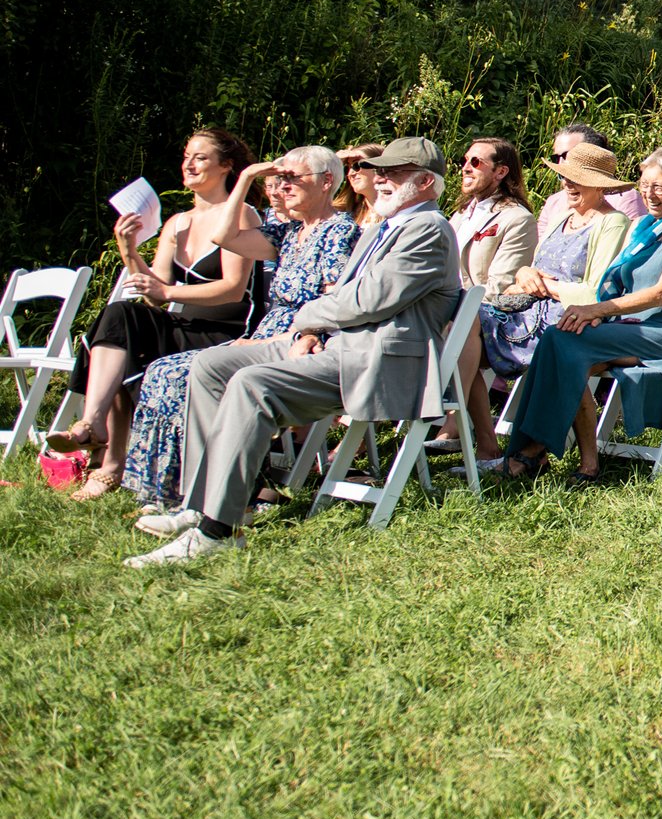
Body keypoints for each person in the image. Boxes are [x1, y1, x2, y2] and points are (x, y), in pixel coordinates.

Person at [127, 138, 461, 566]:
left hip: (376, 360)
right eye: (381, 171)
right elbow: (347, 296)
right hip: (341, 344)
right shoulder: (386, 227)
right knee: (211, 365)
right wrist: (315, 324)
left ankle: (217, 531)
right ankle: (204, 502)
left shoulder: (429, 230)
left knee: (251, 384)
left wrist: (305, 317)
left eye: (394, 172)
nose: (381, 179)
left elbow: (367, 300)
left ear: (425, 182)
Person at [123, 147, 359, 512]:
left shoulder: (338, 232)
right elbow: (224, 237)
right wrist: (247, 178)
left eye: (293, 178)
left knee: (182, 373)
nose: (283, 186)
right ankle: (178, 491)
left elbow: (333, 305)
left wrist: (287, 337)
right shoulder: (291, 232)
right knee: (163, 370)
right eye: (280, 179)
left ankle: (211, 497)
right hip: (269, 333)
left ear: (327, 181)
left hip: (304, 338)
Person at [49, 128, 259, 499]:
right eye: (185, 157)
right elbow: (155, 295)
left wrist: (167, 291)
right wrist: (129, 250)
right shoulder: (177, 222)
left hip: (225, 331)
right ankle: (93, 424)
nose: (189, 164)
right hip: (183, 324)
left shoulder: (239, 214)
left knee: (128, 337)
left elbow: (232, 288)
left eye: (200, 157)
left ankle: (110, 465)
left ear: (226, 166)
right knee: (120, 320)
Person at [491, 148, 662, 481]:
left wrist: (595, 310)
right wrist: (595, 314)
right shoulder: (642, 226)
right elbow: (613, 282)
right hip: (624, 326)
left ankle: (530, 452)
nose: (650, 194)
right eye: (645, 185)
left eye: (660, 187)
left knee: (559, 341)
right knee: (563, 352)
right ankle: (587, 464)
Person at [459, 143, 632, 462]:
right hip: (529, 310)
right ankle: (484, 443)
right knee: (460, 324)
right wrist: (525, 273)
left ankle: (520, 453)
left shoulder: (613, 222)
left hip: (572, 317)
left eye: (577, 179)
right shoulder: (562, 217)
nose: (567, 184)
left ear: (599, 185)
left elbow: (596, 292)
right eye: (565, 177)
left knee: (475, 333)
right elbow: (533, 268)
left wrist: (546, 286)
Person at [451, 138, 536, 294]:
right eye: (465, 160)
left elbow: (499, 288)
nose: (466, 168)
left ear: (501, 172)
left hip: (475, 311)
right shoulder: (460, 214)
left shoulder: (518, 219)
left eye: (476, 162)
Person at [545, 124, 647, 221]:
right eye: (556, 158)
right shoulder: (553, 202)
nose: (560, 162)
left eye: (568, 155)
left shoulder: (624, 199)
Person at [337, 143, 384, 229]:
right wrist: (332, 164)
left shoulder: (398, 213)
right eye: (347, 168)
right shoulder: (343, 212)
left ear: (378, 166)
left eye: (357, 165)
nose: (350, 173)